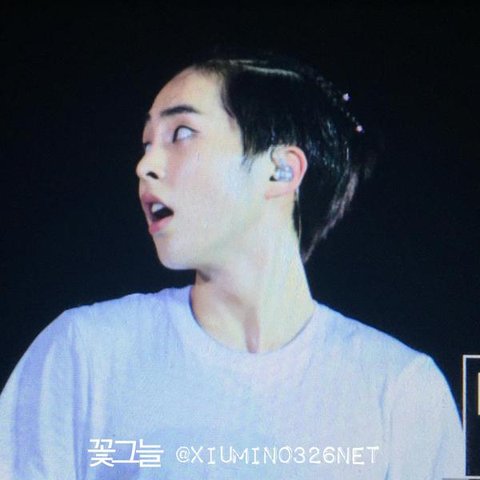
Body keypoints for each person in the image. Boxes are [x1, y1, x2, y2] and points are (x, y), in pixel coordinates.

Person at [0, 52, 464, 479]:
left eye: (181, 133)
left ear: (281, 170)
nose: (145, 165)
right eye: (146, 143)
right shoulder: (84, 352)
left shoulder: (399, 388)